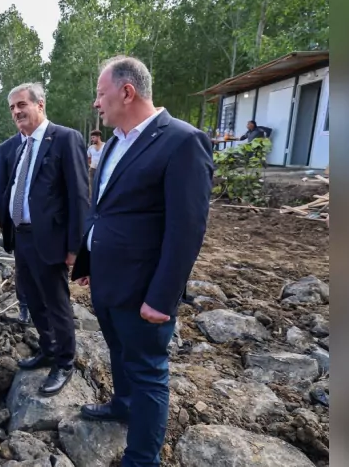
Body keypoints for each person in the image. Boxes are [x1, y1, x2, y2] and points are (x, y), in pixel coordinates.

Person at [71, 55, 213, 466]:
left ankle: (141, 458)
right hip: (108, 280)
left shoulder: (183, 141)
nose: (97, 103)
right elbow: (106, 211)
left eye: (101, 94)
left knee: (149, 372)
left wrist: (163, 298)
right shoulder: (115, 141)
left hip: (145, 289)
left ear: (126, 91)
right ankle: (122, 404)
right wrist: (91, 262)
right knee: (118, 352)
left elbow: (187, 230)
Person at [0, 82, 89, 396]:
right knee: (33, 299)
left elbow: (78, 195)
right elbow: (8, 190)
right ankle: (48, 349)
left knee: (56, 302)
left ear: (40, 104)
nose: (16, 112)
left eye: (21, 104)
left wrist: (76, 247)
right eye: (12, 108)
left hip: (51, 239)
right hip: (22, 237)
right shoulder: (12, 147)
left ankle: (65, 361)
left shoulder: (64, 139)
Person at [0, 134, 32, 325]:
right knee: (23, 268)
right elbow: (3, 188)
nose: (18, 112)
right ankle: (24, 307)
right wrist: (5, 227)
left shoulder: (57, 139)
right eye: (14, 108)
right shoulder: (7, 147)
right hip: (19, 225)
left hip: (48, 225)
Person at [87, 130, 105, 196]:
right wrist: (90, 165)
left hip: (102, 169)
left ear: (98, 137)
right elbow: (88, 158)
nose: (92, 139)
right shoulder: (91, 148)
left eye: (93, 137)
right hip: (92, 170)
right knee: (91, 188)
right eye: (91, 138)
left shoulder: (105, 146)